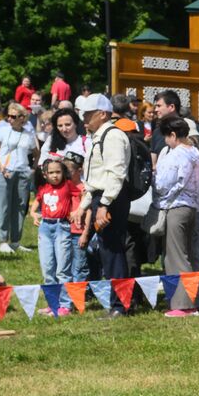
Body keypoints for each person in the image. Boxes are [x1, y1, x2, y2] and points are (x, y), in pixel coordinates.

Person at [78, 94, 134, 307]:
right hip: (101, 197)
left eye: (88, 114)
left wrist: (104, 205)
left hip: (111, 198)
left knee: (113, 251)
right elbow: (95, 178)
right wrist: (83, 206)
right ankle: (117, 302)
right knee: (107, 251)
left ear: (102, 114)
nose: (84, 118)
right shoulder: (97, 136)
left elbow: (115, 174)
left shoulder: (112, 136)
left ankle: (121, 304)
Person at [155, 115, 199, 316]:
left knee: (176, 257)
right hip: (193, 207)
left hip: (177, 207)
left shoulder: (177, 154)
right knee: (185, 254)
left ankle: (184, 305)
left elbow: (163, 182)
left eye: (166, 138)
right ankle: (189, 301)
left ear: (172, 135)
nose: (166, 142)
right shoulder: (195, 152)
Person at [29, 159, 79, 313]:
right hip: (45, 228)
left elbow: (80, 195)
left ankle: (65, 305)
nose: (55, 175)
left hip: (61, 227)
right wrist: (33, 213)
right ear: (45, 175)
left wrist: (76, 211)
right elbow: (37, 201)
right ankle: (53, 303)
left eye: (58, 172)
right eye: (51, 173)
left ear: (63, 172)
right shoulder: (43, 188)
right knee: (48, 269)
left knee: (62, 269)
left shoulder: (68, 185)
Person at [0, 103, 37, 253]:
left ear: (22, 118)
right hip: (5, 171)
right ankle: (3, 241)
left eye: (13, 116)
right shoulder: (3, 130)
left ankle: (16, 241)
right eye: (8, 116)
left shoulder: (29, 134)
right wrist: (1, 166)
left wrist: (33, 170)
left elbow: (37, 153)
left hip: (23, 172)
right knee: (3, 206)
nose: (9, 119)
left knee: (20, 207)